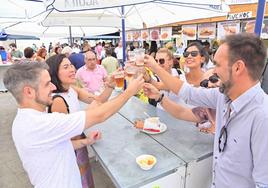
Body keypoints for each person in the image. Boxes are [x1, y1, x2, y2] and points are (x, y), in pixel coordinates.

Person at [143, 33, 268, 187]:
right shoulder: (223, 97)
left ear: (237, 68)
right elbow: (188, 93)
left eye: (218, 64)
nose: (213, 71)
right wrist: (155, 68)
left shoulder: (262, 116)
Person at [3, 62, 144, 188]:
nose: (53, 86)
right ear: (29, 91)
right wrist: (129, 92)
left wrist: (85, 141)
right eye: (47, 84)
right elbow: (100, 115)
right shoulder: (40, 124)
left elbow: (56, 146)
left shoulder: (27, 119)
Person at [46, 54, 115, 188]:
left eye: (71, 65)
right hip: (69, 153)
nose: (72, 69)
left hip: (80, 145)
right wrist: (89, 112)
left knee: (85, 180)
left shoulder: (71, 89)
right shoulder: (57, 100)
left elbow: (99, 100)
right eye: (66, 67)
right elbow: (67, 135)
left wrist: (110, 86)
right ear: (54, 73)